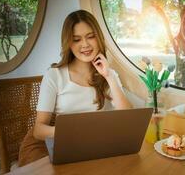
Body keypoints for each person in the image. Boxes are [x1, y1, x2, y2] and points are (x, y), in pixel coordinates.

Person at [18, 10, 132, 166]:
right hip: (67, 147)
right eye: (76, 39)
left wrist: (109, 76)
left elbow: (129, 118)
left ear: (98, 37)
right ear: (68, 43)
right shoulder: (54, 75)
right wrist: (76, 131)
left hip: (99, 147)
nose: (85, 45)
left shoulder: (108, 74)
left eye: (91, 37)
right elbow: (39, 130)